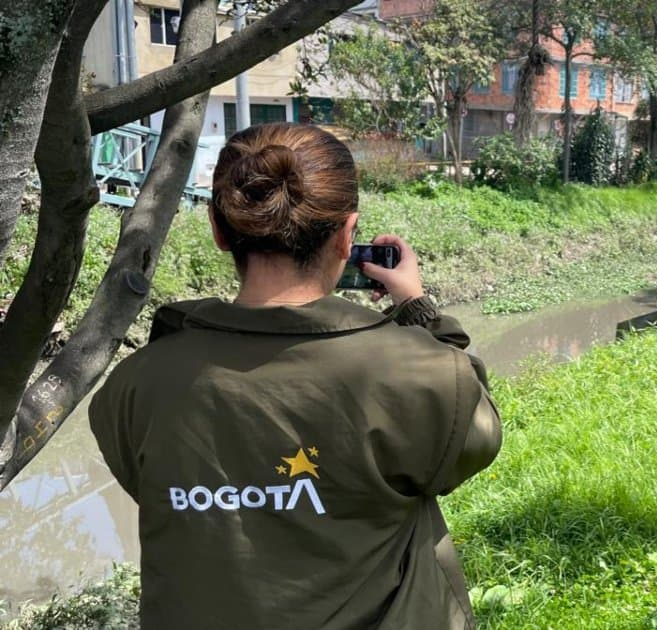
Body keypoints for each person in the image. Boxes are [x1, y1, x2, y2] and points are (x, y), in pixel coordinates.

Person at [89, 122, 501, 629]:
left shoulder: (134, 387)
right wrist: (418, 308)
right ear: (347, 237)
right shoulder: (419, 374)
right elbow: (472, 438)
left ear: (219, 231)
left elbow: (149, 482)